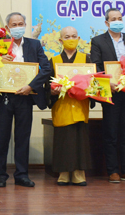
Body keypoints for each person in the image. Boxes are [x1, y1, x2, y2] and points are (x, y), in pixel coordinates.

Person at [0, 12, 51, 188]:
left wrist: (31, 86)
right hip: (4, 97)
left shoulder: (34, 45)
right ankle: (1, 176)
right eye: (14, 24)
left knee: (23, 137)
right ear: (7, 27)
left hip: (26, 97)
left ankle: (21, 175)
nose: (18, 27)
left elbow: (46, 68)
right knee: (2, 138)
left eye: (21, 24)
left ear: (25, 25)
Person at [90, 8, 125, 183]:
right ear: (106, 23)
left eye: (120, 18)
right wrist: (107, 82)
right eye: (114, 19)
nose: (118, 21)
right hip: (112, 94)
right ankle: (112, 171)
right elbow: (96, 66)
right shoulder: (97, 41)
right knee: (111, 134)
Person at [47, 26, 92, 186]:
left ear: (79, 39)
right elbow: (47, 84)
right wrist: (52, 92)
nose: (71, 39)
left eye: (74, 36)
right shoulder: (53, 61)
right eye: (67, 37)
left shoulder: (87, 59)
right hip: (62, 106)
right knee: (63, 140)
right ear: (60, 40)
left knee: (80, 140)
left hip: (80, 105)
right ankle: (63, 172)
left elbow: (94, 82)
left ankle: (80, 173)